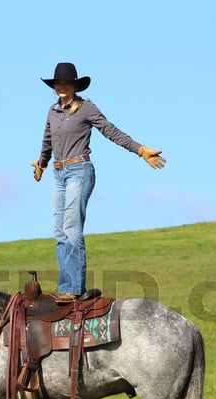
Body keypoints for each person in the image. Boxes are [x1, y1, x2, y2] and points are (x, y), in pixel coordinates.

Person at [31, 62, 166, 300]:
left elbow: (111, 131)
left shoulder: (86, 108)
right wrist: (42, 163)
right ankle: (65, 288)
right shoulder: (52, 111)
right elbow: (47, 139)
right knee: (59, 231)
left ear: (74, 86)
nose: (61, 87)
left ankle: (73, 289)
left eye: (66, 83)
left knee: (72, 228)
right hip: (58, 174)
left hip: (79, 171)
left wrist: (140, 149)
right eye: (58, 84)